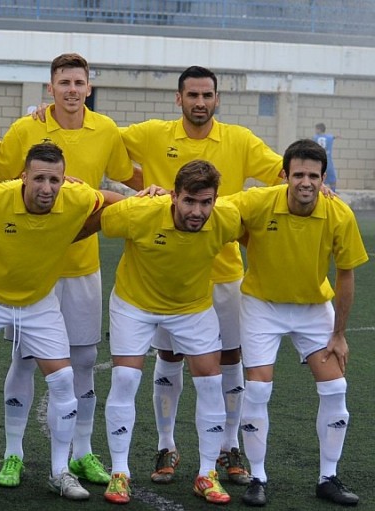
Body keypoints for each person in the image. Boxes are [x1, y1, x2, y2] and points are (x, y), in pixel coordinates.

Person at [120, 65, 283, 486]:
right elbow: (101, 143)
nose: (200, 102)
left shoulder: (240, 140)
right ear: (179, 98)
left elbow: (282, 175)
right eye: (192, 95)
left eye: (207, 95)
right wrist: (143, 186)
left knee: (230, 359)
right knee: (170, 357)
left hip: (223, 272)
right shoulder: (153, 134)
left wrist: (317, 185)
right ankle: (166, 445)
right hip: (166, 271)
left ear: (217, 99)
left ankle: (229, 447)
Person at [0, 143, 124, 502]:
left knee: (64, 379)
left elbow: (112, 201)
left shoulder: (77, 197)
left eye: (54, 180)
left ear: (64, 180)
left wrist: (153, 194)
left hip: (38, 301)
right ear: (23, 178)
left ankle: (60, 471)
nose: (47, 188)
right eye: (39, 178)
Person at [0, 53, 138, 488]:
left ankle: (83, 453)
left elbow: (127, 176)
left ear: (89, 88)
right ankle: (13, 454)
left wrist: (163, 190)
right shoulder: (26, 128)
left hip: (81, 266)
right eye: (64, 83)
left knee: (85, 359)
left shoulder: (106, 130)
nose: (72, 90)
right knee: (24, 357)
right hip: (32, 266)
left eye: (79, 83)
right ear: (50, 88)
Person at [84, 160, 243, 505]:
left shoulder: (227, 219)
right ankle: (120, 472)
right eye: (189, 201)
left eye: (206, 202)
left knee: (212, 381)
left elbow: (263, 217)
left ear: (216, 200)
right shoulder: (139, 213)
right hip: (134, 305)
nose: (197, 211)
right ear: (173, 196)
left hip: (192, 308)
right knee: (125, 379)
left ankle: (206, 474)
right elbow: (98, 213)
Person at [228, 139, 366, 507]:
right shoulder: (258, 202)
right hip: (262, 305)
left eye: (314, 176)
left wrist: (338, 334)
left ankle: (328, 477)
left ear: (324, 179)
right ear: (284, 175)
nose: (306, 182)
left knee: (336, 388)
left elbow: (346, 275)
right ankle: (257, 478)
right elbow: (213, 210)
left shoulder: (339, 213)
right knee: (257, 390)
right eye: (299, 174)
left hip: (312, 308)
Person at [313, 123, 338, 191]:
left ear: (319, 129)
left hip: (318, 162)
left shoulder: (315, 137)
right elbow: (333, 137)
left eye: (316, 129)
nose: (315, 130)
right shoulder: (329, 137)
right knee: (332, 179)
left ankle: (319, 192)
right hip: (328, 162)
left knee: (319, 178)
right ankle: (333, 192)